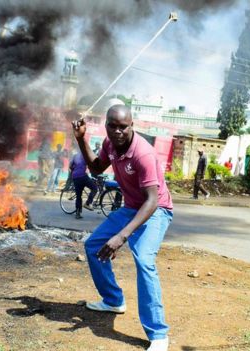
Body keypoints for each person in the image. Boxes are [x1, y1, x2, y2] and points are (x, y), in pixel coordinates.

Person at [72, 105, 173, 351]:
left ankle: (158, 335)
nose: (117, 132)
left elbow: (152, 200)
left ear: (131, 126)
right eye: (113, 126)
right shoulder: (109, 144)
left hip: (157, 210)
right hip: (131, 208)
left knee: (144, 259)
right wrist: (81, 138)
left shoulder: (143, 154)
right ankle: (113, 300)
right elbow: (96, 168)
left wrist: (122, 236)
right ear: (106, 125)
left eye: (123, 127)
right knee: (93, 244)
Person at [69, 151, 97, 219]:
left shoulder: (75, 155)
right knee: (94, 188)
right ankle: (87, 203)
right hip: (83, 176)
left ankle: (78, 213)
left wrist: (74, 172)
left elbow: (70, 166)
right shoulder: (86, 155)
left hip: (75, 177)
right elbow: (91, 165)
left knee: (79, 195)